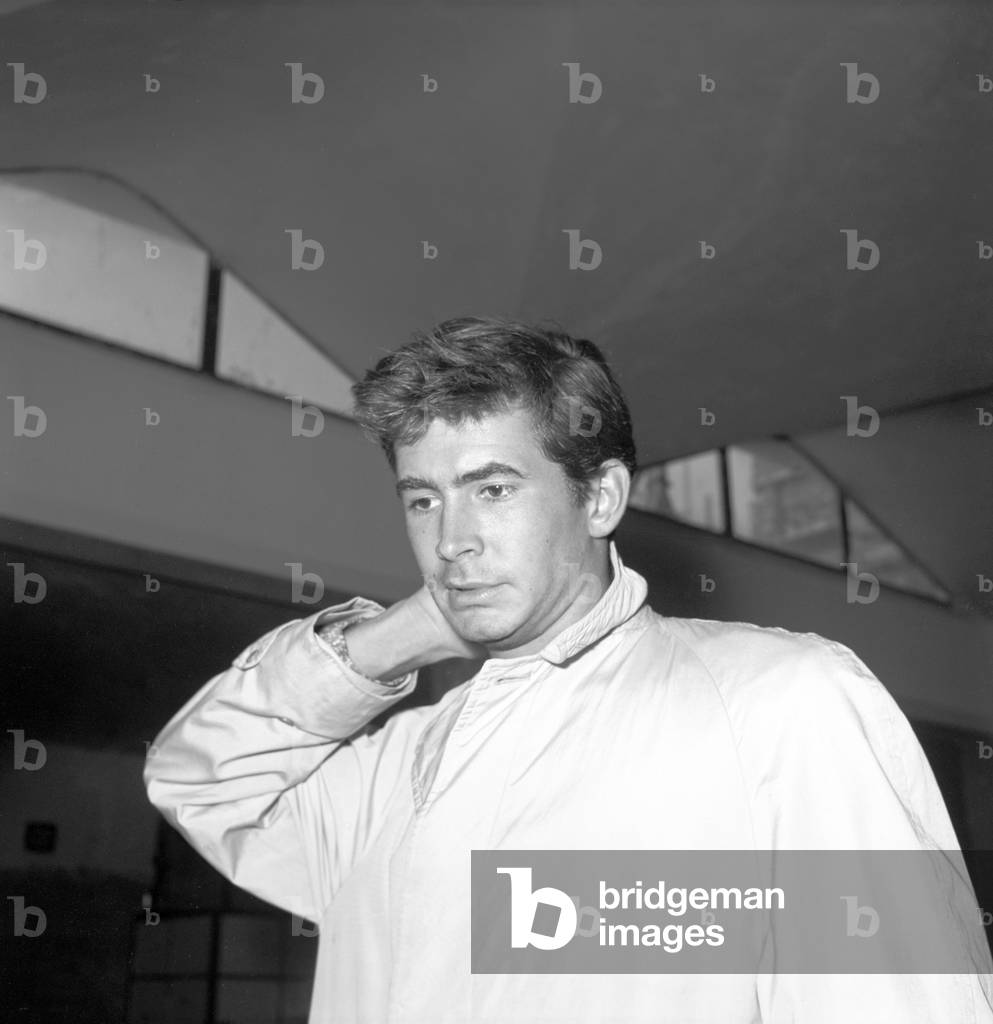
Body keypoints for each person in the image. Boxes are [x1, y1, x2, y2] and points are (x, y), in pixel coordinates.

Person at [144, 315, 993, 1023]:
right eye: (422, 498)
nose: (450, 541)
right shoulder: (394, 770)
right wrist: (390, 640)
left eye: (493, 489)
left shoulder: (778, 703)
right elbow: (199, 780)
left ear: (599, 498)